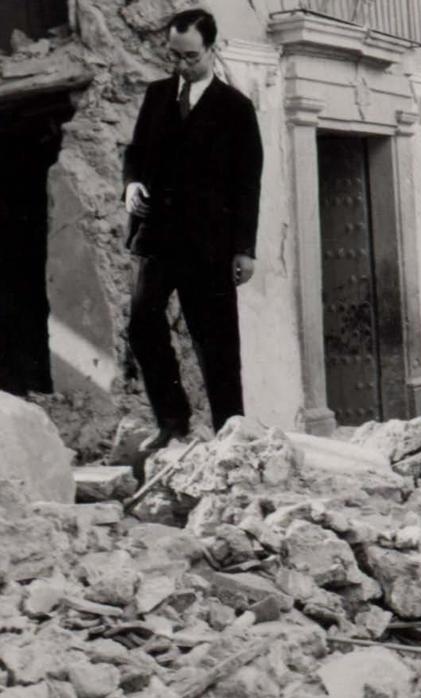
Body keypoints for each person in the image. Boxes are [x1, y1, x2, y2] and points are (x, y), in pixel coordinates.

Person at [124, 8, 263, 451]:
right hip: (159, 237)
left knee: (217, 341)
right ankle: (172, 419)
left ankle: (231, 433)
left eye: (190, 57)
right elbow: (137, 152)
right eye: (175, 56)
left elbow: (247, 183)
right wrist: (130, 185)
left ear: (211, 50)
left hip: (211, 246)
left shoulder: (236, 108)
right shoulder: (158, 95)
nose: (182, 66)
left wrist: (244, 248)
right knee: (143, 323)